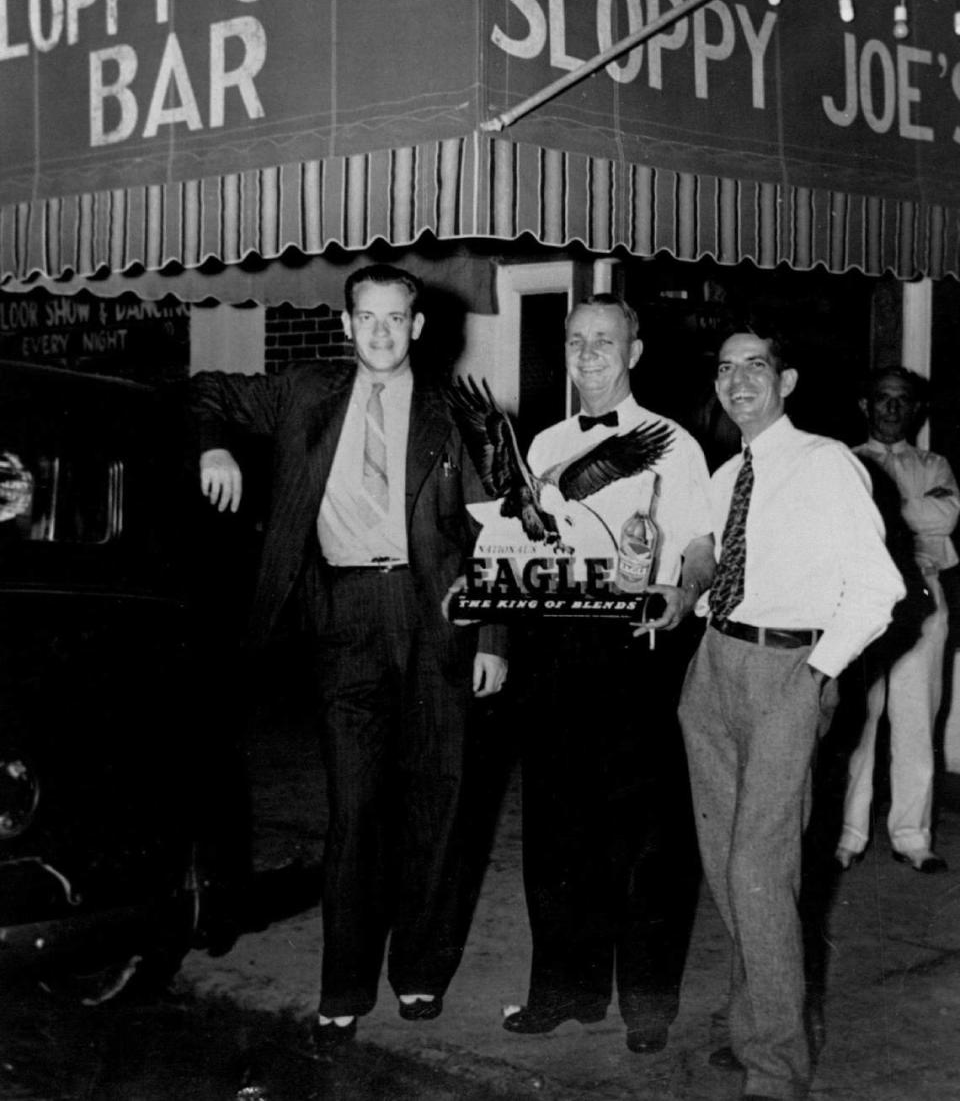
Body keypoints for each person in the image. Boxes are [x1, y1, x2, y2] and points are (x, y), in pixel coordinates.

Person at [190, 264, 507, 1051]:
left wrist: (495, 639)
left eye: (396, 319)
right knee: (354, 808)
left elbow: (498, 534)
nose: (381, 332)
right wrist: (214, 450)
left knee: (437, 799)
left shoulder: (457, 414)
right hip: (340, 615)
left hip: (435, 614)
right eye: (367, 317)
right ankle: (343, 983)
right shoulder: (305, 391)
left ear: (419, 327)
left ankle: (421, 972)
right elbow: (201, 389)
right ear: (345, 324)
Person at [678, 322, 905, 1101]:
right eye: (725, 369)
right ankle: (759, 1025)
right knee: (727, 867)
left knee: (759, 872)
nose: (738, 381)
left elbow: (879, 591)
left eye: (756, 367)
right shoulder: (723, 472)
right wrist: (681, 595)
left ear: (788, 380)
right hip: (713, 666)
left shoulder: (826, 464)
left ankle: (776, 1071)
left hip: (787, 670)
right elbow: (720, 567)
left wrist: (815, 674)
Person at [503, 294, 715, 1054]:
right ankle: (564, 991)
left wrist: (683, 594)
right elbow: (521, 546)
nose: (589, 354)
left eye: (605, 341)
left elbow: (699, 545)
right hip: (558, 652)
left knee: (646, 841)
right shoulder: (543, 444)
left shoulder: (675, 444)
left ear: (635, 352)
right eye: (576, 341)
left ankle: (648, 1006)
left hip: (638, 651)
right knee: (558, 833)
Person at [835, 367, 959, 875]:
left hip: (922, 596)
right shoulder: (843, 462)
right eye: (882, 400)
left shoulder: (934, 463)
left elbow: (947, 517)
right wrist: (914, 510)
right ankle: (847, 834)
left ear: (915, 410)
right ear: (866, 406)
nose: (891, 409)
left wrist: (880, 510)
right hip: (860, 599)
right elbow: (841, 523)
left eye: (902, 401)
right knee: (857, 722)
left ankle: (913, 836)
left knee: (915, 718)